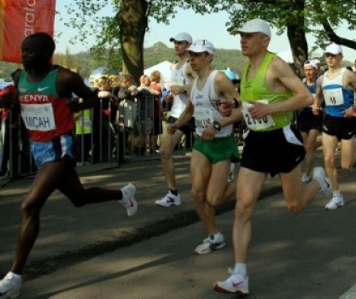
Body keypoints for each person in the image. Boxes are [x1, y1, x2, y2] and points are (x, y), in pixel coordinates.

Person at [0, 33, 137, 298]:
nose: (24, 55)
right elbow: (22, 106)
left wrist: (74, 106)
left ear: (46, 53)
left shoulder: (63, 78)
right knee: (79, 198)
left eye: (29, 51)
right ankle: (124, 195)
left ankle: (14, 277)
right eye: (22, 50)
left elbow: (92, 97)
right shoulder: (19, 78)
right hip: (37, 147)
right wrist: (10, 103)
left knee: (30, 205)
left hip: (59, 148)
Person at [214, 19, 331, 295]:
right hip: (256, 142)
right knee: (243, 206)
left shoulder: (275, 64)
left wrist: (270, 109)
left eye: (249, 36)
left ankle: (319, 182)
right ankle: (240, 275)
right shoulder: (244, 68)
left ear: (264, 40)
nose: (243, 40)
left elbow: (303, 97)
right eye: (241, 36)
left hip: (282, 140)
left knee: (295, 204)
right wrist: (228, 112)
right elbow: (248, 107)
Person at [166, 39, 242, 254]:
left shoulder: (219, 80)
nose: (192, 58)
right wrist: (176, 125)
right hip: (201, 143)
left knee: (215, 199)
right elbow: (190, 111)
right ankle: (215, 235)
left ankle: (246, 175)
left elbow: (240, 109)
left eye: (197, 55)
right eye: (191, 54)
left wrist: (217, 124)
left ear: (209, 56)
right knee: (197, 194)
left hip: (221, 144)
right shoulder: (193, 85)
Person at [312, 43, 356, 210]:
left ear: (340, 57)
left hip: (346, 121)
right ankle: (336, 195)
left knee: (346, 166)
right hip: (330, 121)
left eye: (334, 55)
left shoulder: (347, 75)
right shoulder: (321, 78)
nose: (330, 58)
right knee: (328, 159)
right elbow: (318, 95)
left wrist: (354, 107)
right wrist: (316, 105)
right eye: (328, 55)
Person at [156, 32, 195, 207]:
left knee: (211, 148)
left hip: (192, 113)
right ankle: (173, 194)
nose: (176, 46)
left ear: (188, 45)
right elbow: (177, 90)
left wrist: (184, 89)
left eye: (180, 43)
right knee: (164, 151)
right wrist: (171, 96)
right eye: (175, 43)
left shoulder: (190, 65)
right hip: (176, 113)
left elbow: (201, 86)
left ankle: (229, 163)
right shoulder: (174, 66)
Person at [297, 59, 323, 184]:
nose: (308, 72)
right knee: (305, 146)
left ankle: (307, 173)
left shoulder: (319, 83)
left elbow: (325, 99)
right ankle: (324, 141)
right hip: (303, 116)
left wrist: (320, 106)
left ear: (315, 70)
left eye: (310, 70)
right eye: (306, 70)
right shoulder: (302, 83)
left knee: (309, 145)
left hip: (315, 115)